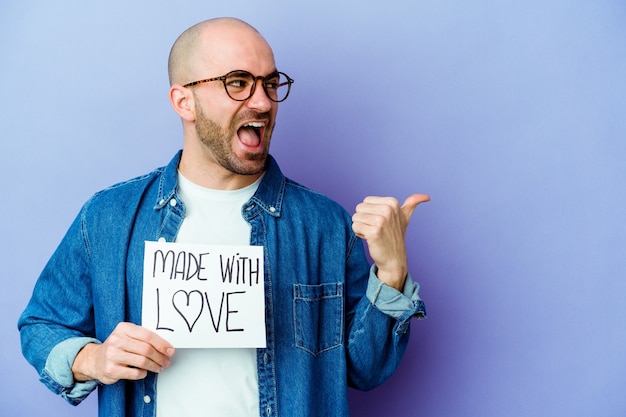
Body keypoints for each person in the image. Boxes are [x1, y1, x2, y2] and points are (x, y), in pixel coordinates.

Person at [18, 17, 429, 417]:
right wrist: (94, 358)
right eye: (238, 82)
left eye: (270, 84)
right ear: (184, 101)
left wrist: (391, 273)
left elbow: (365, 370)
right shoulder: (109, 217)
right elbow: (41, 324)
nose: (263, 101)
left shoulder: (324, 225)